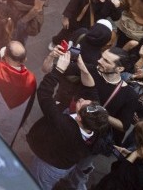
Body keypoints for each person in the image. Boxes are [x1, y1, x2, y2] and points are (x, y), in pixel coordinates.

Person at [25, 50, 110, 190]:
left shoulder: (64, 125)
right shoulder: (98, 123)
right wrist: (83, 68)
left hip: (48, 165)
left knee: (38, 184)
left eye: (80, 103)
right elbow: (91, 89)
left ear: (79, 118)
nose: (82, 99)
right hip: (65, 162)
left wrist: (58, 70)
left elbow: (44, 94)